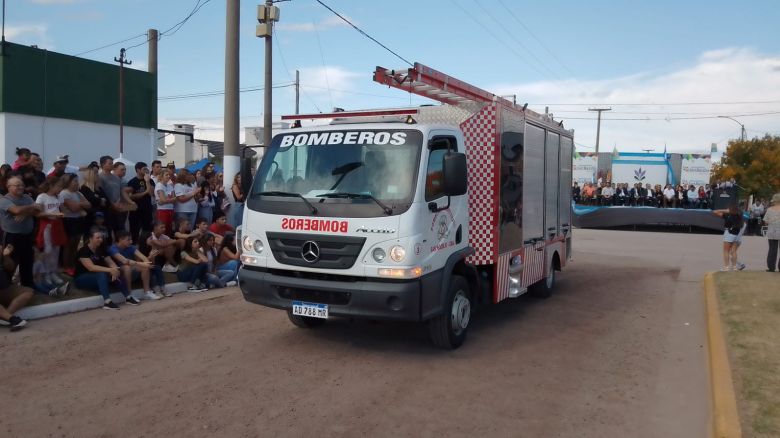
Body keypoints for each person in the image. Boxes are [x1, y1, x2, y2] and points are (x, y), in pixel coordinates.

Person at [75, 227, 141, 310]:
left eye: (101, 237)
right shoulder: (83, 251)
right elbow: (91, 267)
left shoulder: (101, 249)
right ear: (90, 238)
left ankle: (128, 297)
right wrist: (110, 270)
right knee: (102, 274)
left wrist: (114, 269)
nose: (100, 239)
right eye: (97, 238)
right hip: (82, 278)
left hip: (97, 276)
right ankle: (107, 302)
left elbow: (110, 262)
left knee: (116, 270)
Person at [0, 177, 43, 288]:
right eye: (17, 185)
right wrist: (31, 207)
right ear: (8, 187)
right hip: (11, 236)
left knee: (27, 261)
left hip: (27, 236)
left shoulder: (27, 197)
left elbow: (39, 210)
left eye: (22, 185)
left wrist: (26, 213)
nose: (20, 187)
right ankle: (7, 286)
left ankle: (27, 285)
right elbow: (16, 210)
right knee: (10, 262)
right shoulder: (5, 200)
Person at [108, 230, 164, 300]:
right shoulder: (113, 248)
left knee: (145, 267)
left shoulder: (131, 247)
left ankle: (147, 292)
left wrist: (148, 260)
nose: (131, 241)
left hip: (131, 267)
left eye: (131, 239)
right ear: (120, 239)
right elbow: (124, 261)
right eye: (128, 240)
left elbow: (143, 258)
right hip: (118, 270)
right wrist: (143, 264)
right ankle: (129, 294)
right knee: (127, 267)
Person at [35, 177, 68, 285]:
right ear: (51, 186)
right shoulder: (42, 197)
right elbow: (38, 214)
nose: (60, 189)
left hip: (57, 225)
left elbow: (62, 210)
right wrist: (52, 214)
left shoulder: (59, 197)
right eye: (58, 186)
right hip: (47, 226)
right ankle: (45, 273)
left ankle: (53, 272)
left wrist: (62, 213)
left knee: (56, 250)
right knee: (48, 250)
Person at [59, 174, 91, 276]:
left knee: (75, 244)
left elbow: (89, 205)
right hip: (69, 220)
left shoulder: (78, 193)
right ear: (68, 182)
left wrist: (80, 205)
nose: (77, 183)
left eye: (77, 181)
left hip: (78, 220)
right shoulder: (64, 194)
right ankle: (66, 266)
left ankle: (72, 264)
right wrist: (81, 205)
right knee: (69, 244)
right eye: (75, 181)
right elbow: (74, 208)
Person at [0, 243, 33, 331]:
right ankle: (13, 319)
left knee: (28, 292)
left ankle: (5, 317)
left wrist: (4, 256)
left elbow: (11, 267)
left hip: (4, 289)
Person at [127, 162, 155, 243]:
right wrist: (144, 192)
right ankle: (134, 246)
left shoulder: (150, 181)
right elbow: (131, 196)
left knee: (147, 230)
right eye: (144, 169)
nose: (146, 170)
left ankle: (146, 246)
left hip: (147, 209)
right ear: (138, 170)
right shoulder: (132, 182)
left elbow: (151, 193)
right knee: (134, 230)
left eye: (146, 168)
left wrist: (147, 181)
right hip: (135, 210)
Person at [713, 205, 745, 271]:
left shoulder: (728, 216)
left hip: (729, 233)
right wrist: (730, 211)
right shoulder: (739, 216)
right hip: (736, 234)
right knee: (733, 251)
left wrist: (726, 210)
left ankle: (726, 267)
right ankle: (734, 267)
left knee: (726, 251)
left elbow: (715, 211)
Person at [80, 163, 108, 234]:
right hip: (90, 219)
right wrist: (100, 200)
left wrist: (99, 200)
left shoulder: (99, 189)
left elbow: (107, 201)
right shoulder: (84, 189)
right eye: (95, 173)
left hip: (102, 219)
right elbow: (91, 201)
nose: (97, 175)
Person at [154, 169, 177, 235]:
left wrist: (165, 200)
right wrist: (169, 200)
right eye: (166, 175)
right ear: (161, 176)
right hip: (162, 210)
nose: (168, 176)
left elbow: (174, 199)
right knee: (163, 229)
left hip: (170, 210)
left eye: (169, 175)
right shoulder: (159, 185)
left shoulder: (170, 186)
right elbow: (163, 200)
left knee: (169, 229)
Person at [763, 193, 780, 272]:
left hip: (772, 232)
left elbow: (765, 222)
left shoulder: (770, 209)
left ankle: (771, 267)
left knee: (772, 249)